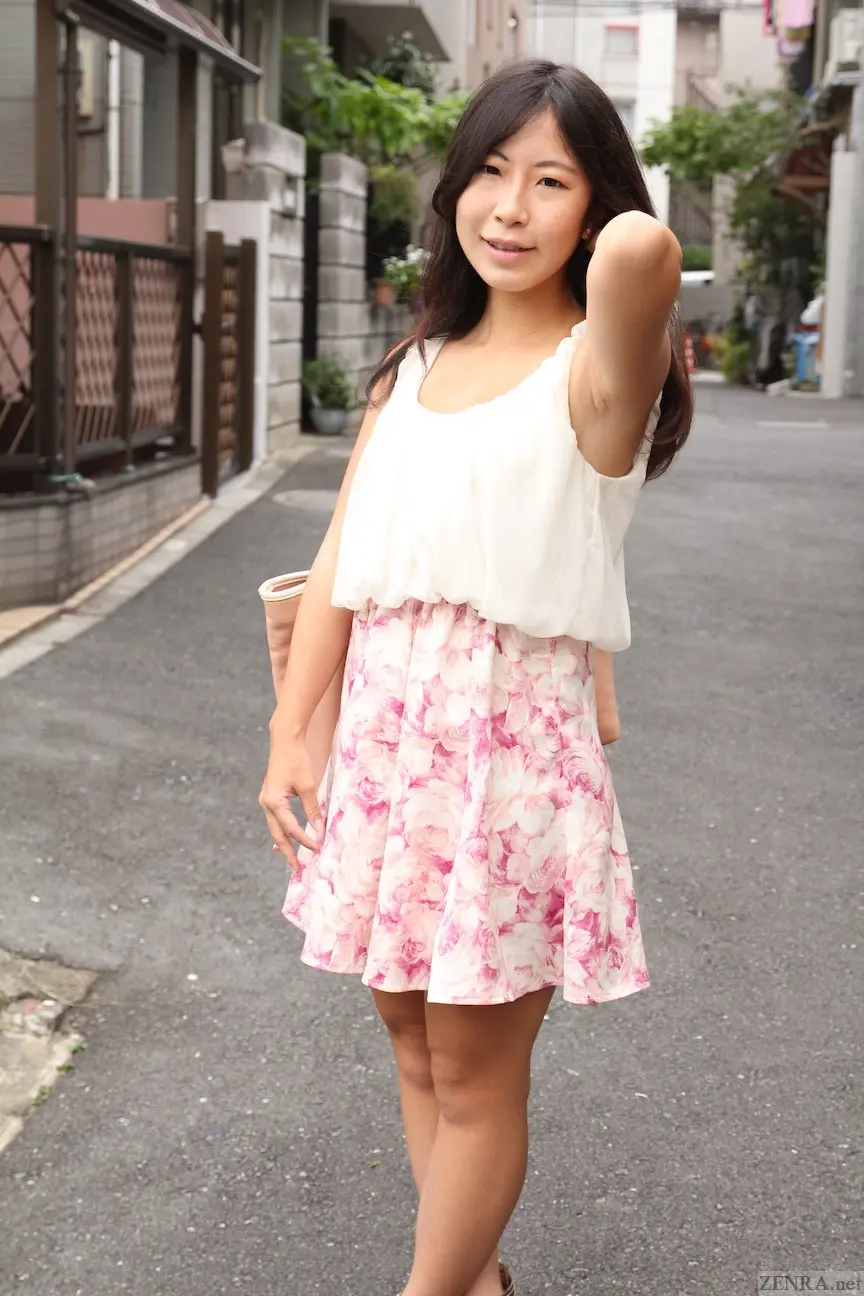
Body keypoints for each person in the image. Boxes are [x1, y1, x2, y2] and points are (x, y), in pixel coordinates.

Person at [260, 58, 692, 1296]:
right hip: (388, 746)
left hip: (509, 757)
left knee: (475, 1070)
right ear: (453, 185)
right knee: (412, 1041)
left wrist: (612, 217)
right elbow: (342, 560)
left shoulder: (598, 374)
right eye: (490, 173)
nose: (508, 208)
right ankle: (477, 1280)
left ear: (596, 205)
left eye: (550, 182)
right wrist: (291, 734)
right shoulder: (414, 368)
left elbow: (644, 257)